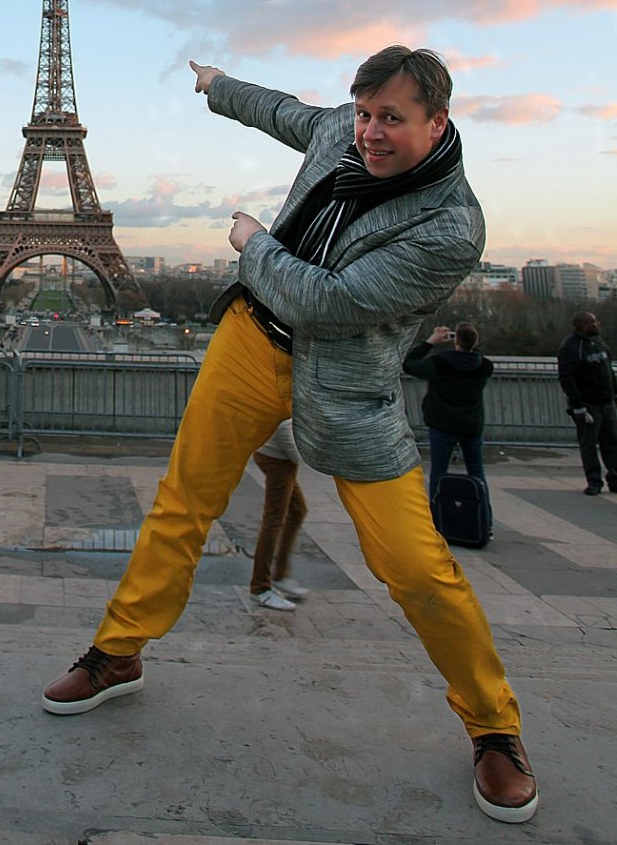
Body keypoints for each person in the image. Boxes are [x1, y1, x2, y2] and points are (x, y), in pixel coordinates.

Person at [42, 46, 538, 826]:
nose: (370, 133)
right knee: (184, 504)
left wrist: (251, 242)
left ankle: (492, 726)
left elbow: (329, 305)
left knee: (413, 567)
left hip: (345, 385)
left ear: (437, 122)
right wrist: (216, 87)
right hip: (250, 340)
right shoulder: (343, 128)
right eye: (365, 114)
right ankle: (118, 649)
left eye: (392, 120)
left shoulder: (449, 228)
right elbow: (286, 114)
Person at [404, 323, 494, 503]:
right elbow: (476, 356)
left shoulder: (441, 363)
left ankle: (438, 515)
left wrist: (431, 341)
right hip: (471, 424)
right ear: (475, 342)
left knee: (439, 470)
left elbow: (409, 364)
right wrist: (470, 345)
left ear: (456, 341)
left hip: (442, 423)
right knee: (476, 471)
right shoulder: (483, 366)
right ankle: (484, 518)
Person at [249, 419, 308, 610]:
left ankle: (280, 574)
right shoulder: (287, 400)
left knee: (298, 511)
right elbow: (286, 429)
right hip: (278, 459)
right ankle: (260, 587)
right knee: (274, 520)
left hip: (275, 453)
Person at [556, 311, 617, 496]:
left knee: (612, 442)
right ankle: (594, 481)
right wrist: (578, 406)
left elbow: (608, 369)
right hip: (587, 404)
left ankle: (615, 478)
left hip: (607, 402)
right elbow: (567, 378)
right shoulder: (571, 347)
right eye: (592, 322)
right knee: (589, 444)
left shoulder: (598, 342)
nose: (597, 324)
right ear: (582, 325)